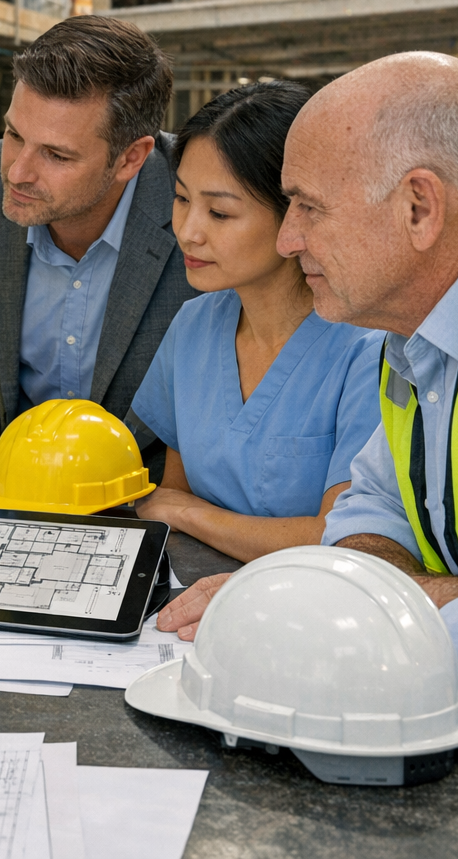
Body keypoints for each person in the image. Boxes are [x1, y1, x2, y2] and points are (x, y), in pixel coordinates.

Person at [158, 52, 458, 736]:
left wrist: (342, 603)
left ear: (419, 208)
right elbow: (369, 509)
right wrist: (432, 593)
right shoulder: (420, 330)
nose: (289, 237)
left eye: (309, 207)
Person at [129, 82, 383, 561]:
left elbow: (345, 540)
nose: (188, 232)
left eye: (220, 212)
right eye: (182, 199)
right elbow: (174, 493)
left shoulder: (369, 349)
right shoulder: (193, 326)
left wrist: (191, 516)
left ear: (296, 215)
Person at [0, 16, 197, 479]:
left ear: (131, 158)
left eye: (56, 155)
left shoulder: (200, 202)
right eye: (14, 135)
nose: (17, 172)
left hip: (153, 501)